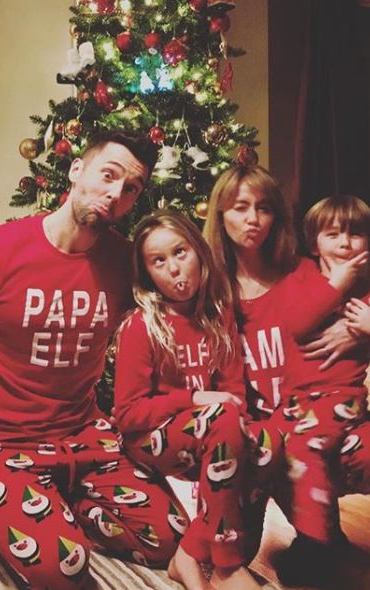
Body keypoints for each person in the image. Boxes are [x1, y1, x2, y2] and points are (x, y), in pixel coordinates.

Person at [0, 132, 189, 590]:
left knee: (170, 537)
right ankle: (30, 507)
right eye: (108, 175)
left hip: (84, 436)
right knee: (63, 567)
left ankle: (57, 502)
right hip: (1, 442)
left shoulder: (124, 262)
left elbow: (191, 300)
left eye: (131, 188)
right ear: (77, 170)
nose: (116, 194)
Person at [203, 167, 370, 586]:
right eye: (240, 207)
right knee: (235, 551)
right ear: (221, 215)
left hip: (312, 420)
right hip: (255, 432)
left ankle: (320, 534)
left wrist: (356, 328)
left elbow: (348, 302)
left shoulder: (306, 273)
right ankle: (300, 522)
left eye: (263, 208)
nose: (252, 219)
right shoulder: (211, 290)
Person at [113, 209, 284, 590]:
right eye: (159, 261)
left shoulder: (217, 315)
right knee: (222, 417)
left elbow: (235, 395)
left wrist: (224, 412)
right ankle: (225, 567)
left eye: (180, 252)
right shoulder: (141, 326)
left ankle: (192, 554)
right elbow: (127, 414)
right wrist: (195, 398)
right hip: (151, 439)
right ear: (147, 274)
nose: (174, 268)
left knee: (270, 442)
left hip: (212, 433)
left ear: (199, 253)